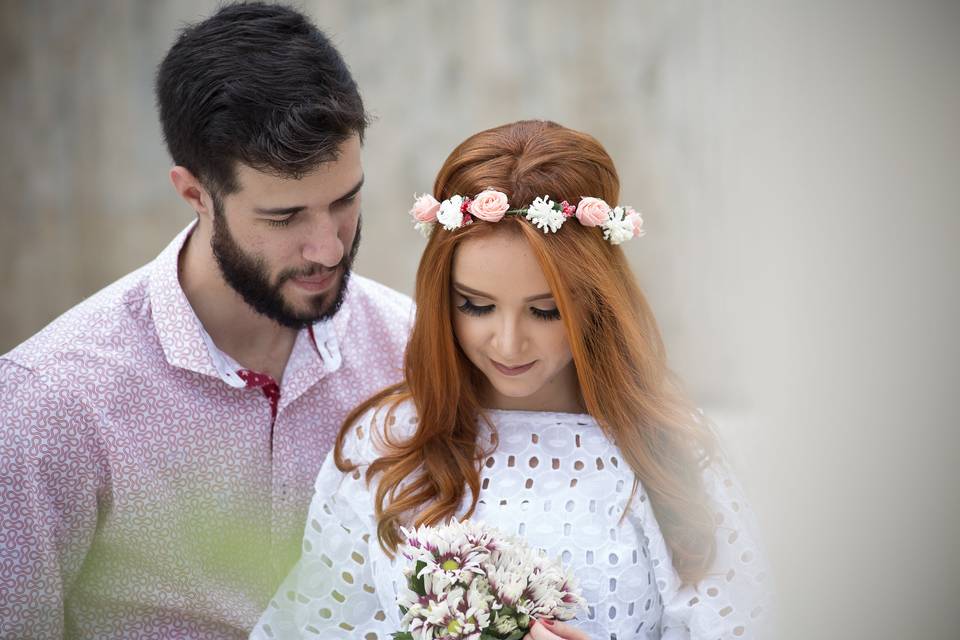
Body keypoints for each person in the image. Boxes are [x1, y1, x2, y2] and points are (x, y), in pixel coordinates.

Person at [251, 120, 771, 639]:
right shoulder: (387, 442)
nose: (507, 343)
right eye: (475, 306)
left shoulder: (665, 447)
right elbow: (313, 627)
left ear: (594, 300)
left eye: (545, 311)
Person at [0, 3, 412, 638]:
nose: (327, 247)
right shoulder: (51, 401)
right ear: (195, 194)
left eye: (345, 200)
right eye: (284, 217)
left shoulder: (410, 348)